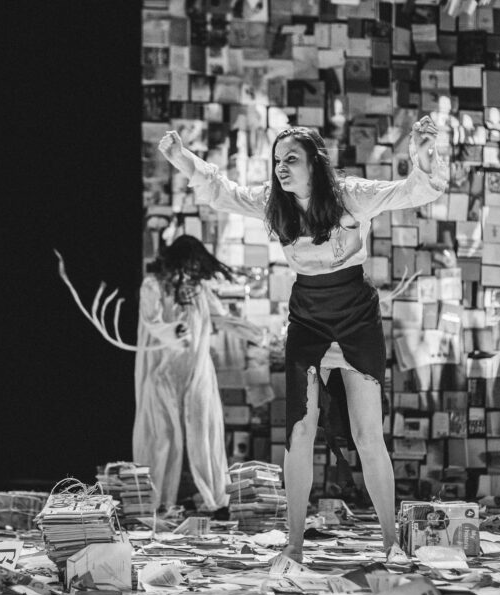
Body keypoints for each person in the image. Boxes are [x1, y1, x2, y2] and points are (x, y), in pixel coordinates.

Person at [158, 116, 447, 561]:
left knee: (368, 434)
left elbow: (410, 192)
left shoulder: (350, 195)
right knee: (299, 432)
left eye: (291, 159)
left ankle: (390, 542)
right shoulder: (274, 204)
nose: (281, 167)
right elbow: (222, 191)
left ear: (315, 163)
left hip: (355, 317)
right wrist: (182, 158)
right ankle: (294, 545)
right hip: (308, 319)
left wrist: (424, 159)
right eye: (277, 160)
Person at [133, 234, 264, 514]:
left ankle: (215, 500)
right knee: (162, 436)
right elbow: (152, 321)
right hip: (163, 372)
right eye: (189, 264)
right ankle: (155, 504)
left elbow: (221, 318)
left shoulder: (199, 289)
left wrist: (255, 334)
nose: (192, 270)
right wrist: (174, 331)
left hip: (197, 371)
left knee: (205, 431)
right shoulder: (154, 285)